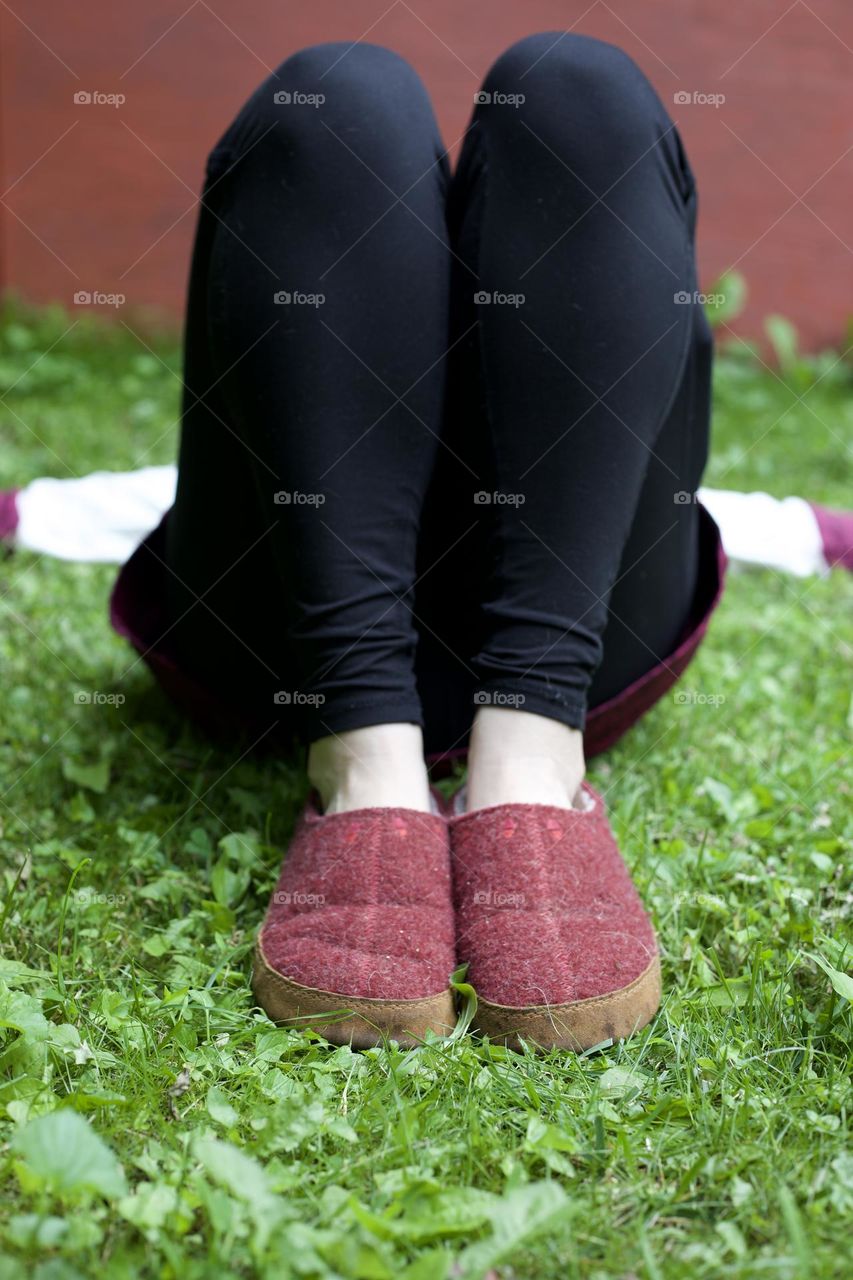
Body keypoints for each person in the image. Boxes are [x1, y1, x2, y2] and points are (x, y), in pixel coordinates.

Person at [3, 34, 848, 1051]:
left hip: (571, 634)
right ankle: (362, 759)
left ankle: (531, 754)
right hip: (292, 627)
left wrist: (811, 530)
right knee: (335, 100)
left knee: (577, 88)